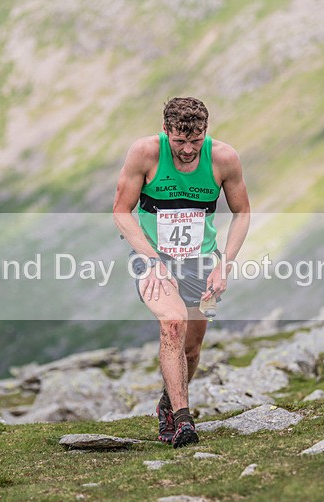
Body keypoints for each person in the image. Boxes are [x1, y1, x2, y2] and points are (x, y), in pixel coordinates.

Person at [113, 97, 250, 448]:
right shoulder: (144, 154)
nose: (188, 149)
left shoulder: (223, 158)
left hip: (201, 260)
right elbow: (121, 211)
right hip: (152, 257)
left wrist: (224, 264)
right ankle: (183, 421)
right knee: (172, 323)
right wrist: (152, 259)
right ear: (165, 131)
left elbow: (243, 213)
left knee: (190, 350)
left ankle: (167, 404)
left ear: (206, 131)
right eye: (179, 141)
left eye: (196, 140)